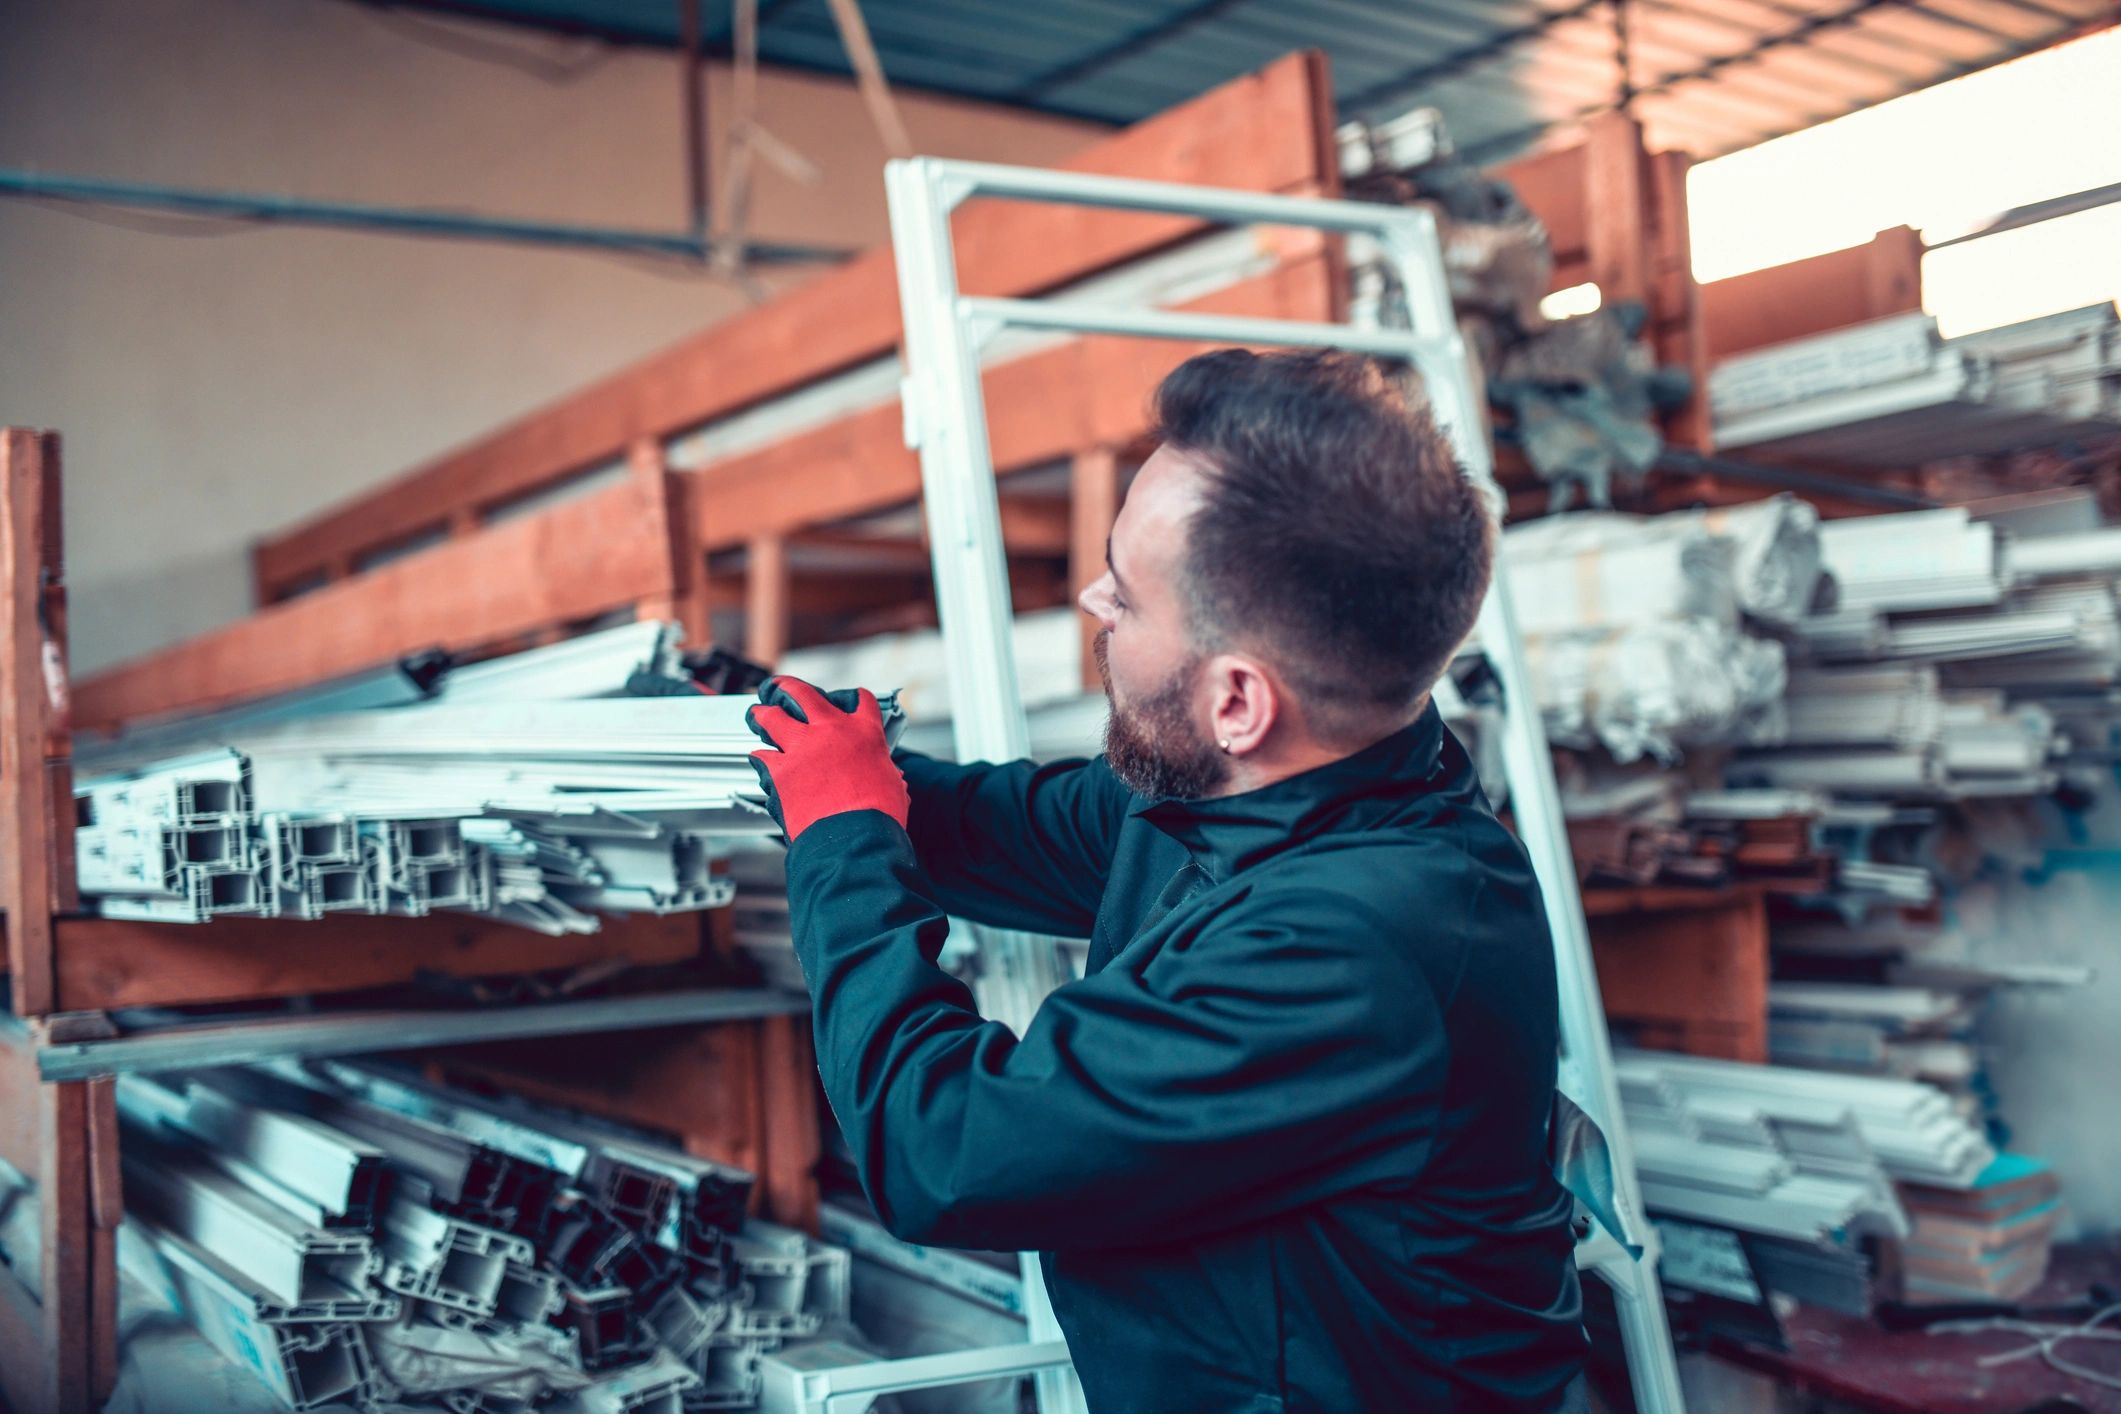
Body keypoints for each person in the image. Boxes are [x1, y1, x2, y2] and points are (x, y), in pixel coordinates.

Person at [745, 348, 1588, 1412]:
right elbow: (1009, 827)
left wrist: (841, 842)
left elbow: (944, 1143)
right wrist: (811, 758)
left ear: (1239, 700)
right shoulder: (1259, 787)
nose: (1095, 598)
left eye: (1127, 597)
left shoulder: (1346, 946)